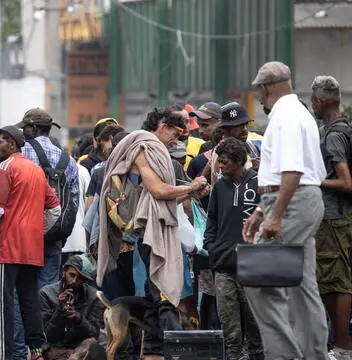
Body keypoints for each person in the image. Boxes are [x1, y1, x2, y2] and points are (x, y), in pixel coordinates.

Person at [97, 108, 208, 360]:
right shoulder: (144, 149)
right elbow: (158, 191)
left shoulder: (155, 151)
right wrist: (189, 187)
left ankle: (154, 351)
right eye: (175, 132)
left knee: (152, 296)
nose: (177, 140)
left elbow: (162, 202)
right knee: (165, 296)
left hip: (152, 232)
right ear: (160, 125)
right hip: (150, 236)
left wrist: (189, 192)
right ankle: (176, 353)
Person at [243, 61, 329, 360]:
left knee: (259, 279)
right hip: (296, 201)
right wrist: (260, 210)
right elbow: (283, 171)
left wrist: (275, 215)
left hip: (291, 203)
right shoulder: (296, 112)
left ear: (265, 90)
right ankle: (312, 353)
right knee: (303, 286)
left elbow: (292, 171)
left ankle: (285, 355)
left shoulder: (286, 116)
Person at [0, 125, 61, 360]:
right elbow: (55, 209)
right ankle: (37, 352)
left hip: (8, 247)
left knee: (4, 303)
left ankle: (4, 354)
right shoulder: (36, 170)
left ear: (12, 143)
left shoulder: (6, 166)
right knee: (30, 302)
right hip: (33, 248)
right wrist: (37, 231)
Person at [203, 138, 263, 360]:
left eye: (224, 162)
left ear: (238, 161)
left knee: (255, 327)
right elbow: (212, 221)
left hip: (253, 267)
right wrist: (212, 247)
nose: (219, 167)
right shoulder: (220, 186)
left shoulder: (259, 183)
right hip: (224, 265)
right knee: (230, 329)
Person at [311, 75, 352, 359]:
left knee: (335, 280)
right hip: (339, 218)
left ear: (320, 101)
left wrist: (315, 180)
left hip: (335, 219)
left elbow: (345, 182)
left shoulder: (334, 134)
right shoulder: (343, 128)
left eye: (313, 100)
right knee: (333, 278)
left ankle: (342, 347)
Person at [16, 108, 80, 286]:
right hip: (54, 233)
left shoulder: (21, 152)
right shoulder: (68, 159)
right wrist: (61, 232)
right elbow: (73, 201)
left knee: (21, 289)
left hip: (23, 231)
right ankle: (45, 315)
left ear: (34, 128)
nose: (23, 132)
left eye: (25, 128)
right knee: (48, 288)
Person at [39, 254, 103, 360]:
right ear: (63, 272)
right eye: (72, 275)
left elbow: (95, 334)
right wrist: (59, 311)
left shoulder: (93, 296)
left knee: (92, 344)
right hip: (55, 349)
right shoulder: (46, 294)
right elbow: (46, 336)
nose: (74, 281)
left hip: (80, 349)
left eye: (80, 279)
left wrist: (79, 319)